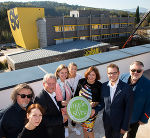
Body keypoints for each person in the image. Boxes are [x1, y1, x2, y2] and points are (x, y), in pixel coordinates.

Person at [102, 63, 133, 138]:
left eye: (114, 73)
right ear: (107, 74)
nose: (112, 75)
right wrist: (94, 109)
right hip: (107, 123)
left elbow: (129, 109)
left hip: (119, 125)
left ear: (118, 73)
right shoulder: (104, 86)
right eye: (110, 73)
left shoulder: (127, 88)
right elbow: (102, 103)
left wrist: (125, 126)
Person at [120, 61, 150, 138]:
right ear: (129, 70)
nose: (135, 72)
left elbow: (149, 104)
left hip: (135, 118)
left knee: (131, 136)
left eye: (138, 71)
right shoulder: (123, 77)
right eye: (133, 70)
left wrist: (144, 118)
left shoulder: (148, 84)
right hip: (121, 116)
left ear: (142, 71)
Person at [74, 66, 102, 138]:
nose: (91, 77)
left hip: (91, 111)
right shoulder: (81, 81)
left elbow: (101, 100)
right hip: (81, 110)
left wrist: (95, 103)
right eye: (89, 74)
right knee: (84, 127)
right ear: (87, 74)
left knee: (89, 129)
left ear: (96, 76)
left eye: (93, 75)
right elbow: (76, 95)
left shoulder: (99, 85)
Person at [34, 73, 65, 138]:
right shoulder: (40, 99)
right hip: (51, 134)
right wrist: (61, 119)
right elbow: (41, 119)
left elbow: (52, 106)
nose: (52, 86)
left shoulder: (51, 93)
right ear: (44, 84)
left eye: (53, 83)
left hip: (58, 131)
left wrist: (60, 103)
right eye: (49, 83)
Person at [55, 64, 72, 137]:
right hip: (60, 108)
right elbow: (56, 99)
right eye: (62, 72)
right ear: (58, 73)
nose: (64, 74)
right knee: (62, 121)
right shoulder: (56, 84)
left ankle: (66, 128)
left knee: (66, 119)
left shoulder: (65, 81)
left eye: (66, 72)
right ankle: (64, 130)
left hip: (66, 105)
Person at [66, 62, 82, 136]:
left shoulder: (79, 77)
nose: (73, 70)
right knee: (65, 114)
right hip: (66, 98)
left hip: (76, 98)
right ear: (68, 69)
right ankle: (66, 128)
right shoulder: (65, 77)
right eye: (71, 68)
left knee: (74, 114)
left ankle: (74, 127)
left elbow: (83, 87)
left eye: (75, 69)